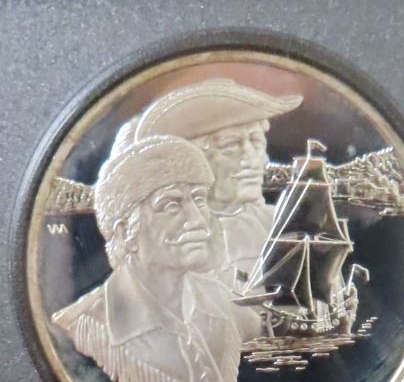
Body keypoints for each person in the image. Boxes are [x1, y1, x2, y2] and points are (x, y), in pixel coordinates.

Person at [51, 134, 253, 382]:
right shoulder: (78, 330)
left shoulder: (225, 302)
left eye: (199, 199)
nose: (198, 220)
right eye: (171, 205)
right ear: (126, 232)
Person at [125, 76, 302, 287]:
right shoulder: (166, 238)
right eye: (231, 145)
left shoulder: (280, 223)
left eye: (256, 142)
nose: (253, 159)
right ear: (193, 161)